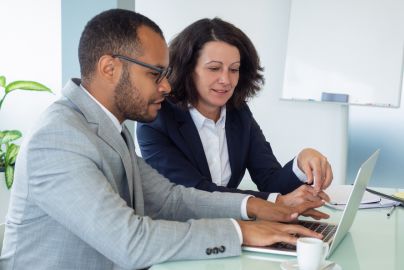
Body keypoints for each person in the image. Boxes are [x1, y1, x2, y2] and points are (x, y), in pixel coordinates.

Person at [0, 9, 327, 270]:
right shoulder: (60, 138)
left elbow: (172, 199)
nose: (167, 86)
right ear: (110, 68)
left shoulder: (108, 128)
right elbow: (130, 243)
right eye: (154, 74)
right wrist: (240, 232)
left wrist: (258, 208)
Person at [136, 18, 333, 206]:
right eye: (214, 68)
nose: (226, 80)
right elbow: (196, 193)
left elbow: (270, 181)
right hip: (183, 231)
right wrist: (277, 203)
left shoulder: (238, 113)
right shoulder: (157, 119)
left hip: (233, 227)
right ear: (187, 69)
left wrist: (301, 162)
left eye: (234, 69)